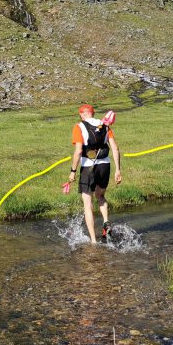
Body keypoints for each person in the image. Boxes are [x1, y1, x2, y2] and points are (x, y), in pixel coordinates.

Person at [67, 104, 121, 244]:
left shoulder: (79, 126)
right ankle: (106, 221)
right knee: (101, 196)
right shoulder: (105, 125)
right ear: (93, 113)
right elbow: (115, 148)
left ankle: (93, 241)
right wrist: (118, 170)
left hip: (88, 167)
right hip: (105, 166)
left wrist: (73, 171)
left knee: (87, 202)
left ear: (81, 114)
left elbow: (78, 151)